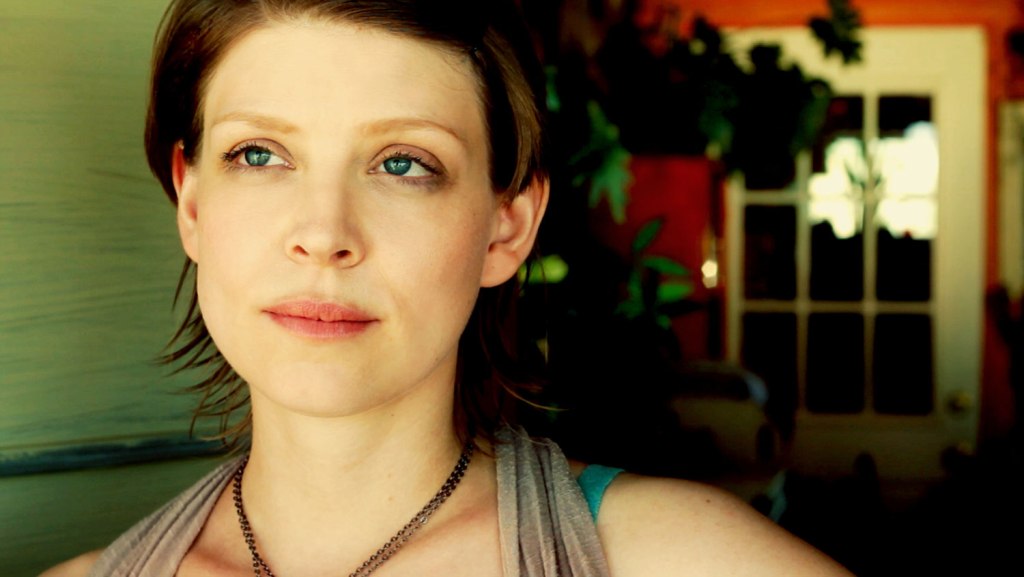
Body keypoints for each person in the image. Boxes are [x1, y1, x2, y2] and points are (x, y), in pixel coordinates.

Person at [43, 1, 853, 575]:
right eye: (258, 154)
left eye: (403, 163)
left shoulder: (678, 559)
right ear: (190, 203)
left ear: (508, 225)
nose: (323, 233)